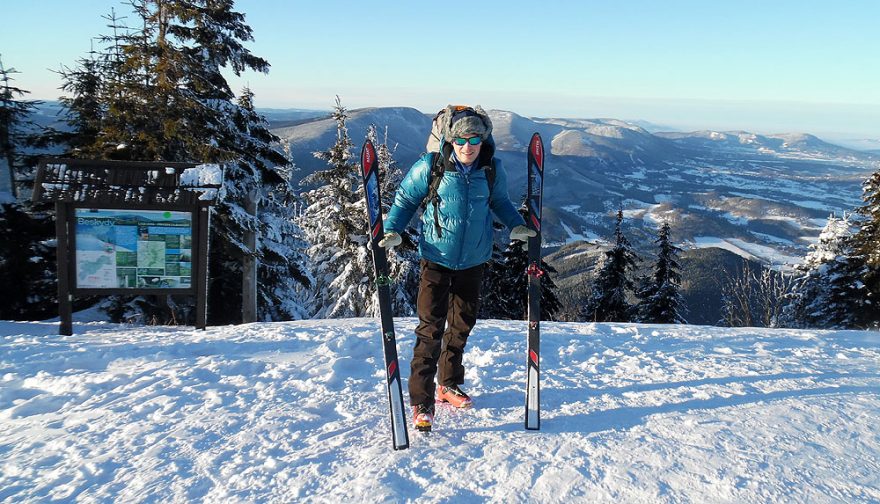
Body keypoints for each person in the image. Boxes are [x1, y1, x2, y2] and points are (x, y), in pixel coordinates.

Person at [379, 105, 535, 431]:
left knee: (461, 325)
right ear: (451, 138)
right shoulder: (432, 166)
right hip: (435, 258)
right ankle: (422, 404)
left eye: (475, 138)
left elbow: (501, 203)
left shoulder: (491, 170)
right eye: (462, 139)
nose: (468, 146)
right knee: (430, 329)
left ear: (483, 139)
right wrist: (392, 229)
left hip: (474, 262)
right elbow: (406, 198)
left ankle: (447, 384)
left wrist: (516, 225)